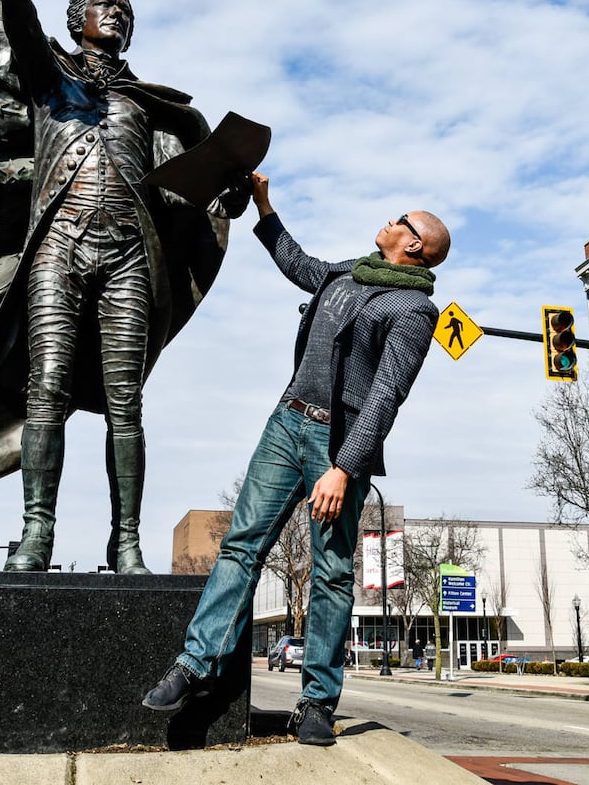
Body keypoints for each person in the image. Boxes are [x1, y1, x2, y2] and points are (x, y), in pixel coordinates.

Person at [0, 0, 246, 574]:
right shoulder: (50, 80)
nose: (117, 13)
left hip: (130, 254)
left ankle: (126, 542)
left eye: (126, 7)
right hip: (59, 247)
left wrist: (227, 191)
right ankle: (37, 533)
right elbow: (14, 5)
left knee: (127, 403)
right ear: (77, 19)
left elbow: (182, 200)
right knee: (47, 388)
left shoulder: (152, 110)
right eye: (104, 3)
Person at [142, 173, 450, 745]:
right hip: (285, 423)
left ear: (414, 245)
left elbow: (387, 395)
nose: (389, 219)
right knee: (242, 544)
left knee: (331, 573)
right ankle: (193, 665)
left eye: (400, 219)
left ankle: (316, 704)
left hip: (337, 444)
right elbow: (296, 262)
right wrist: (264, 205)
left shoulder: (414, 310)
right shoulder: (347, 273)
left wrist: (343, 466)